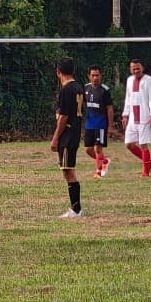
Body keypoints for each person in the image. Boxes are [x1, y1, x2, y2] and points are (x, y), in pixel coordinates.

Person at [49, 56, 86, 218]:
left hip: (67, 134)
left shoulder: (66, 89)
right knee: (68, 170)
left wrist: (55, 138)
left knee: (68, 171)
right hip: (75, 132)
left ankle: (76, 210)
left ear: (58, 72)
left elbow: (64, 117)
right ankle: (76, 208)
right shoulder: (79, 87)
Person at [121, 58, 151, 177]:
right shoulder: (129, 80)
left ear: (142, 68)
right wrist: (125, 115)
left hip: (144, 116)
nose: (136, 71)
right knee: (129, 144)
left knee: (143, 144)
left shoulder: (148, 80)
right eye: (134, 69)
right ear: (130, 69)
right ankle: (149, 162)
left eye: (138, 68)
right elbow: (128, 98)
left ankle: (145, 171)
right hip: (133, 117)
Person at [83, 65, 115, 178]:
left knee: (97, 148)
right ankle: (104, 161)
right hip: (89, 124)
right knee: (88, 149)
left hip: (101, 124)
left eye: (97, 75)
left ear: (101, 76)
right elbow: (83, 104)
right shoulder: (85, 89)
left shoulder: (104, 90)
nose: (95, 78)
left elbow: (109, 108)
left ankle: (98, 171)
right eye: (93, 75)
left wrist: (110, 126)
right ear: (89, 76)